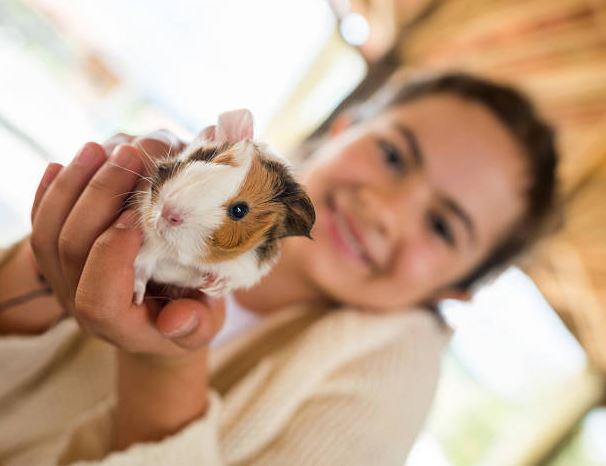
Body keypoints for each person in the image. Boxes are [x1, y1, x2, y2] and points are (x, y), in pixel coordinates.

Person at [0, 71, 558, 465]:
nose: (384, 210)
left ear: (454, 291)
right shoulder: (206, 166)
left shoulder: (395, 369)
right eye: (392, 155)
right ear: (344, 127)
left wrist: (165, 367)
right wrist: (44, 266)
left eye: (441, 227)